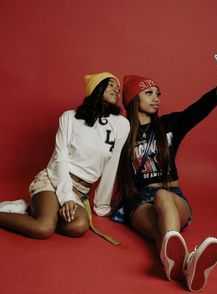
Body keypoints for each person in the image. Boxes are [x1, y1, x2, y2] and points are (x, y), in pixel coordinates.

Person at [113, 66, 217, 291]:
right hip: (140, 201)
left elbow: (197, 110)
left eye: (158, 93)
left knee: (163, 203)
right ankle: (189, 264)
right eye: (149, 93)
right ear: (133, 98)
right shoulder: (122, 132)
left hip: (174, 197)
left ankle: (182, 260)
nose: (156, 98)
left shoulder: (169, 125)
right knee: (168, 236)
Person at [0, 72, 130, 240]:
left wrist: (102, 206)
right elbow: (59, 160)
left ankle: (33, 209)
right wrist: (66, 196)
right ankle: (42, 212)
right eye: (111, 84)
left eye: (118, 88)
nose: (116, 90)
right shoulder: (70, 117)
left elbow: (112, 165)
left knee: (78, 226)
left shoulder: (121, 124)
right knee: (44, 228)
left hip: (80, 192)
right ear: (96, 88)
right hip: (54, 181)